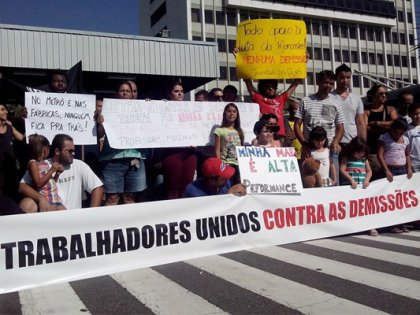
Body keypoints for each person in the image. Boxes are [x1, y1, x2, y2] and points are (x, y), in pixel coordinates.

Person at [19, 134, 104, 212]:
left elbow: (97, 188)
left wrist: (92, 216)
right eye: (69, 151)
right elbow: (22, 186)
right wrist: (40, 198)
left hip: (70, 214)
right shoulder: (41, 165)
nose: (73, 153)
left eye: (74, 150)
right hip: (49, 208)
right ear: (57, 151)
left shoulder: (79, 164)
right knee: (26, 204)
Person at [96, 81, 147, 205]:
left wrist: (150, 109)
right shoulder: (107, 111)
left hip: (135, 159)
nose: (125, 93)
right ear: (116, 93)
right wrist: (101, 123)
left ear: (132, 95)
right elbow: (99, 135)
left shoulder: (142, 110)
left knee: (130, 198)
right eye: (121, 90)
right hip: (112, 160)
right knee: (112, 198)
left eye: (128, 91)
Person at [294, 70, 344, 185]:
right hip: (309, 152)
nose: (329, 86)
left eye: (331, 83)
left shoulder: (336, 103)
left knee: (332, 184)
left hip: (329, 152)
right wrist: (304, 144)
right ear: (318, 82)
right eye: (326, 82)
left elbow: (340, 128)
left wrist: (335, 143)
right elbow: (297, 125)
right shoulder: (305, 101)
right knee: (310, 185)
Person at [160, 80, 197, 199]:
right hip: (172, 152)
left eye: (181, 91)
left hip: (189, 152)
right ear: (169, 93)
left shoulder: (190, 108)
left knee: (187, 185)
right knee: (172, 186)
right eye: (176, 91)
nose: (180, 94)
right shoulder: (163, 106)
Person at [377, 119, 413, 234]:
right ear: (391, 129)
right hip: (390, 171)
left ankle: (402, 223)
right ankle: (391, 224)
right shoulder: (384, 137)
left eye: (401, 133)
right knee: (390, 198)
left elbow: (407, 155)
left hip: (402, 171)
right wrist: (386, 170)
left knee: (401, 199)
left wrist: (409, 168)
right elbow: (380, 155)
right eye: (396, 132)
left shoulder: (406, 139)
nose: (398, 135)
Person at [364, 84, 398, 180]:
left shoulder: (390, 109)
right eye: (381, 94)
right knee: (378, 177)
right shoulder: (367, 112)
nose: (384, 96)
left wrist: (376, 123)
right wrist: (386, 127)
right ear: (373, 95)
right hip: (373, 151)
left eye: (386, 93)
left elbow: (396, 125)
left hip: (390, 150)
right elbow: (365, 128)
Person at [330, 64, 367, 147]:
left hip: (352, 143)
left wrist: (363, 144)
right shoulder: (328, 97)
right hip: (333, 142)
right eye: (342, 77)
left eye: (348, 77)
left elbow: (360, 123)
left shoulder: (357, 99)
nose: (345, 80)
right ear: (336, 78)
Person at [27, 134, 66, 211]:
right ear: (45, 149)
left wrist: (57, 173)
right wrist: (51, 170)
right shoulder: (33, 164)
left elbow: (50, 182)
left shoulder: (45, 163)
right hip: (47, 200)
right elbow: (38, 184)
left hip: (55, 199)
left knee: (66, 215)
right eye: (48, 148)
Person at [214, 103, 244, 185]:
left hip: (238, 165)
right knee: (225, 189)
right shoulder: (219, 130)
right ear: (225, 113)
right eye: (229, 111)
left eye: (234, 111)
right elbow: (217, 150)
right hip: (226, 164)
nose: (231, 113)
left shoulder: (240, 131)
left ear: (237, 114)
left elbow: (242, 148)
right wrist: (220, 166)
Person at [0, 104, 25, 201]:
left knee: (11, 195)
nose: (6, 112)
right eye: (2, 110)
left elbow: (21, 137)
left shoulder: (9, 127)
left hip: (10, 169)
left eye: (5, 110)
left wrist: (25, 121)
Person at [405, 103, 420, 173]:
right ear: (410, 115)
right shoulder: (406, 129)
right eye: (415, 114)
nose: (418, 116)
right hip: (414, 164)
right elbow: (404, 148)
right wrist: (409, 164)